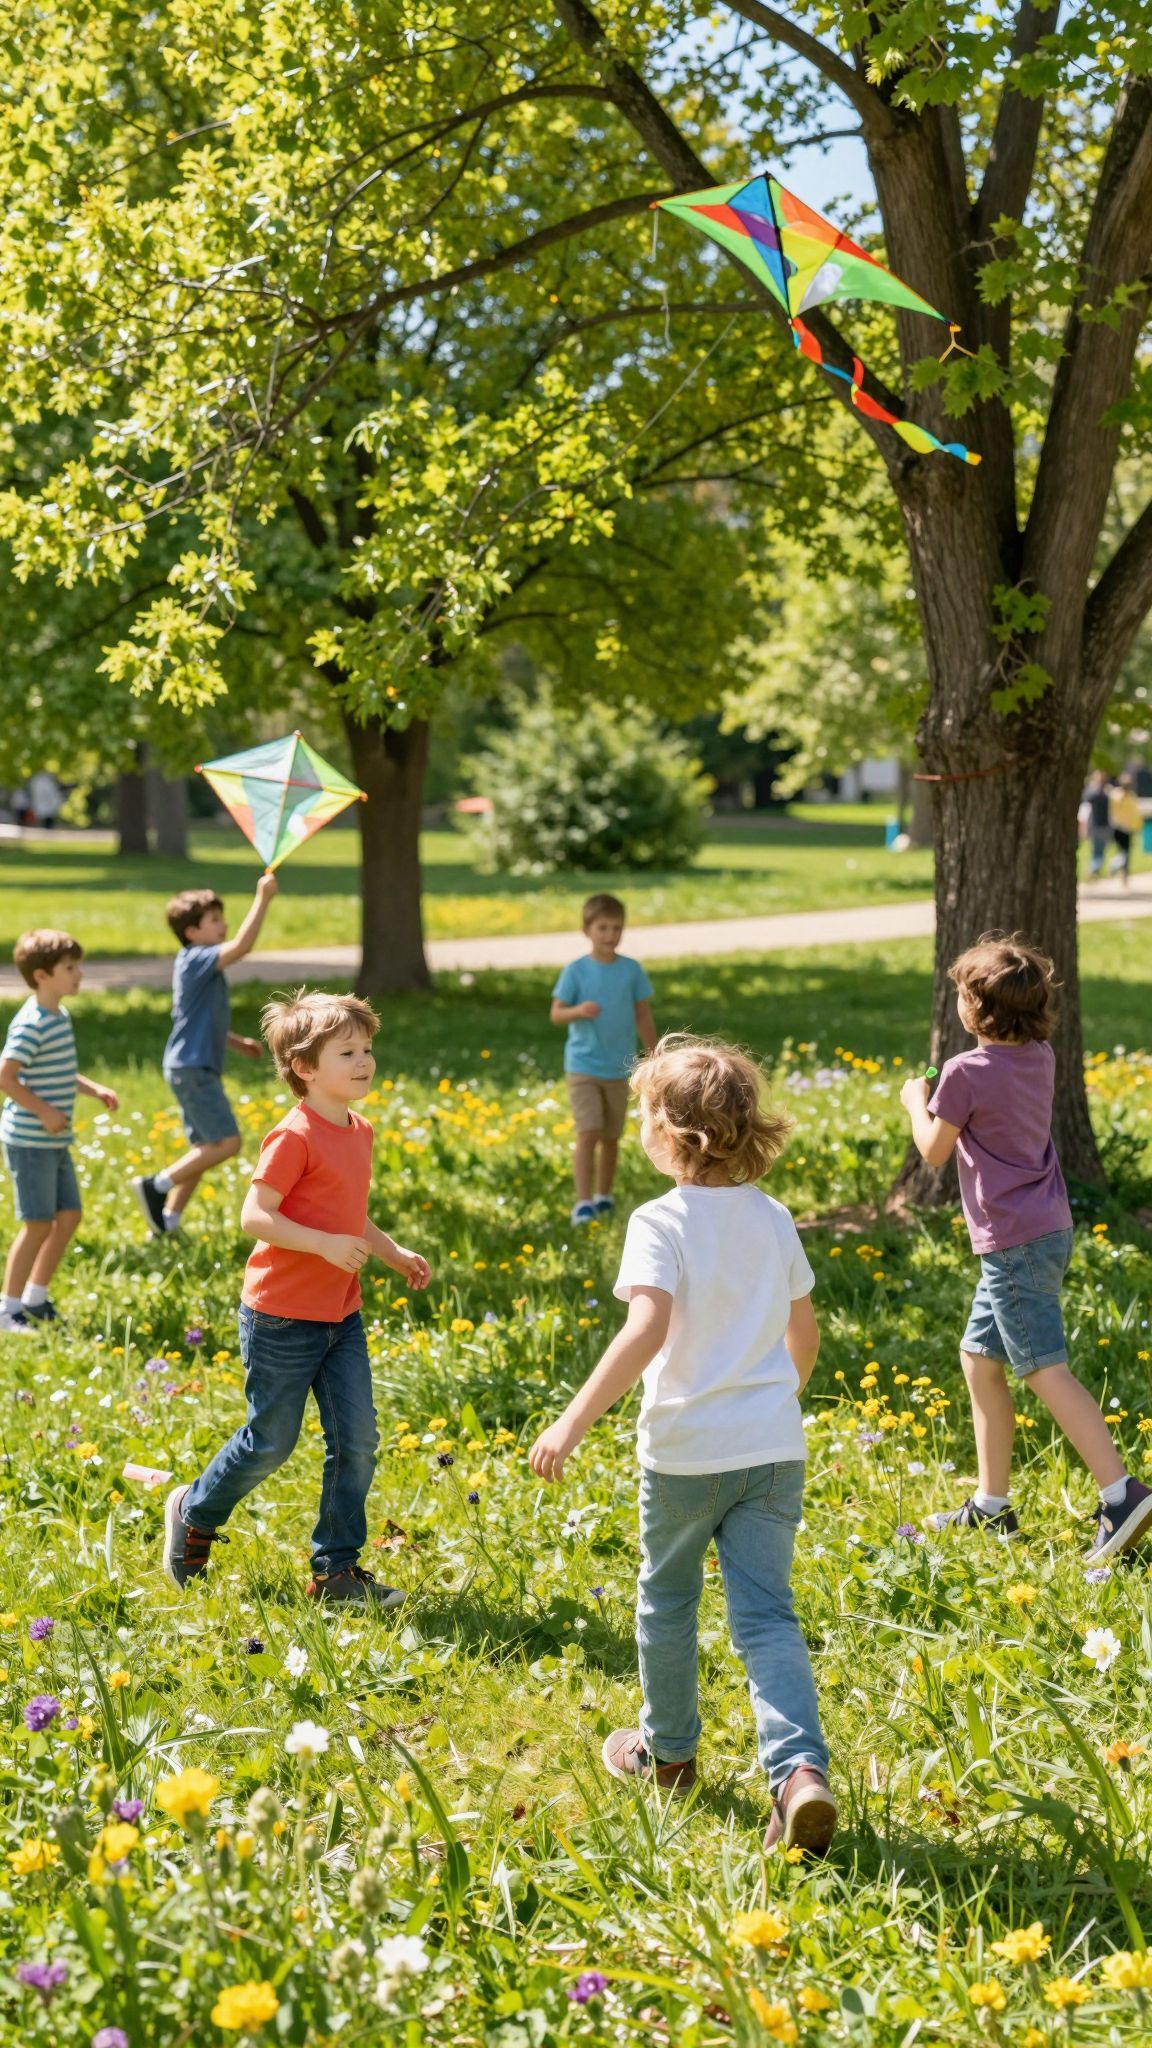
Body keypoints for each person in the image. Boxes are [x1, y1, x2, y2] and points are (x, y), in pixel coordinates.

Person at [529, 1034, 836, 1855]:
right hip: (773, 1447)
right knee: (767, 1616)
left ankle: (668, 1757)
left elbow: (647, 1328)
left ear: (670, 1135)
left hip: (685, 1457)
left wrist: (571, 1419)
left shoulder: (658, 1220)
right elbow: (802, 1332)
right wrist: (777, 1400)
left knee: (667, 1603)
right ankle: (800, 1772)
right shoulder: (771, 1218)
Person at [162, 989, 431, 1606]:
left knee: (357, 1440)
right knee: (271, 1441)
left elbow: (350, 1215)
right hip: (282, 1317)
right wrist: (321, 1245)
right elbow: (256, 1217)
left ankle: (334, 1571)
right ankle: (195, 1510)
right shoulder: (294, 1136)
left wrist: (392, 1253)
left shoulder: (358, 1131)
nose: (364, 1061)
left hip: (342, 1314)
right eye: (347, 1052)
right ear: (305, 1068)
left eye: (367, 1049)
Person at [900, 933, 1152, 1563]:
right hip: (1044, 1230)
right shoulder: (1040, 1056)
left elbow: (933, 1151)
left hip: (1012, 1240)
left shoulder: (960, 1073)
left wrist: (914, 1102)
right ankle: (991, 1506)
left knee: (1043, 1367)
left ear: (974, 1010)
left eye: (961, 994)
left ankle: (1122, 1495)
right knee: (978, 1360)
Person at [133, 877, 277, 1235]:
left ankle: (168, 1221)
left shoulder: (196, 963)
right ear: (192, 931)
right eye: (215, 919)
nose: (223, 924)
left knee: (205, 1147)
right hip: (193, 1068)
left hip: (188, 1065)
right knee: (228, 1143)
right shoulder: (198, 958)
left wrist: (235, 1042)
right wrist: (263, 897)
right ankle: (157, 1185)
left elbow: (196, 1018)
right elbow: (242, 947)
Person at [0, 930, 119, 1333]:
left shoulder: (59, 1016)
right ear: (41, 976)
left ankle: (35, 1300)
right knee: (38, 1223)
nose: (79, 974)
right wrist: (45, 1111)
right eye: (70, 968)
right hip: (30, 1140)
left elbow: (62, 1071)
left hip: (52, 1139)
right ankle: (7, 1310)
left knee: (68, 1215)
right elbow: (6, 1076)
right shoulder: (31, 1024)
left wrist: (92, 1088)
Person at [550, 893, 657, 1225]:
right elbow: (556, 1014)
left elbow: (642, 1015)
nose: (610, 935)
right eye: (603, 928)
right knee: (589, 1131)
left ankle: (604, 1196)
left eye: (616, 928)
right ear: (587, 930)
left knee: (611, 1135)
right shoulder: (576, 972)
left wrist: (654, 1054)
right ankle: (583, 1202)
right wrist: (577, 1011)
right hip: (583, 1066)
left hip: (619, 1067)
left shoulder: (631, 970)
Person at [1108, 771, 1142, 885]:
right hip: (1126, 828)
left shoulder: (1114, 795)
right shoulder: (1131, 798)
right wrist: (1137, 826)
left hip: (1116, 827)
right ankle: (1117, 867)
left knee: (1121, 851)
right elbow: (1136, 814)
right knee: (1125, 853)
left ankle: (1123, 873)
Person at [1081, 769, 1111, 879]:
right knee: (1100, 850)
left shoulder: (1090, 795)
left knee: (1096, 850)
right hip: (1103, 826)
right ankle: (1095, 869)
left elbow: (1085, 810)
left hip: (1094, 825)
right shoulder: (1107, 795)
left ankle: (1094, 870)